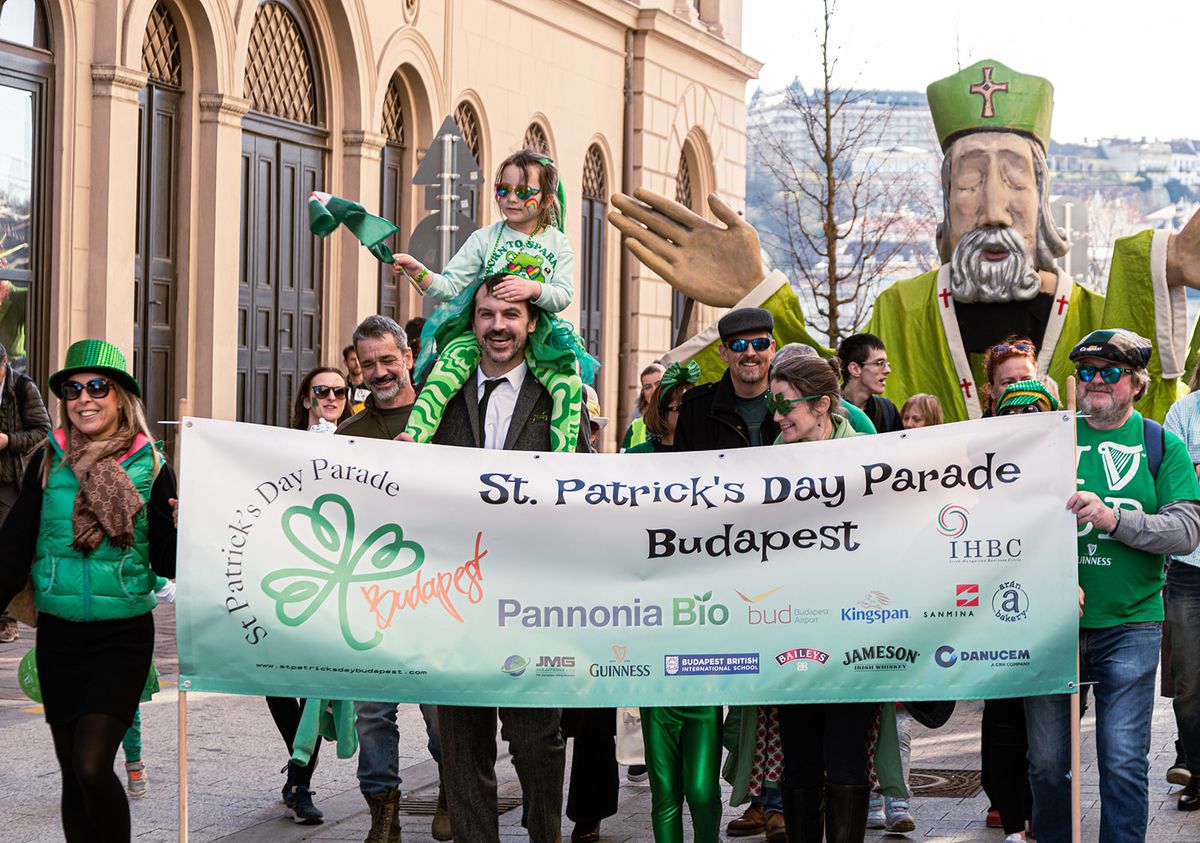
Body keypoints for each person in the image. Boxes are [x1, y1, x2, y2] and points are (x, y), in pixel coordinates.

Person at [609, 58, 1200, 423]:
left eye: (1015, 181)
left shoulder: (1098, 319)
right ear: (945, 199)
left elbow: (1162, 417)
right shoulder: (905, 310)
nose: (993, 207)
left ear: (1044, 199)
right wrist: (757, 297)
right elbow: (826, 403)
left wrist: (1164, 267)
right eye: (969, 181)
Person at [416, 273, 591, 843]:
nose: (498, 326)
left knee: (537, 739)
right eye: (488, 314)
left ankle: (546, 835)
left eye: (510, 316)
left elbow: (585, 486)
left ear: (531, 323)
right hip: (453, 596)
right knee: (461, 742)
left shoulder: (558, 395)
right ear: (474, 321)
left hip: (529, 596)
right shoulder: (438, 395)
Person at [1024, 328, 1200, 843]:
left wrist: (1113, 520)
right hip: (1050, 622)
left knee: (1122, 762)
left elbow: (1186, 529)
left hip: (1131, 622)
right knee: (1047, 765)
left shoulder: (1157, 443)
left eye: (1109, 372)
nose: (1095, 381)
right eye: (1085, 372)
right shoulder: (1048, 438)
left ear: (1136, 383)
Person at [0, 339, 177, 842]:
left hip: (121, 638)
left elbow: (168, 559)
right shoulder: (45, 462)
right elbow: (12, 550)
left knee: (93, 764)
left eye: (98, 386)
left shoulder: (153, 465)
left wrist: (189, 526)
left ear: (120, 395)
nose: (85, 398)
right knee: (72, 773)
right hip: (59, 638)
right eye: (74, 389)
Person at [671, 307, 783, 838]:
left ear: (772, 346)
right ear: (723, 354)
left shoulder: (793, 401)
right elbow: (679, 488)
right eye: (738, 347)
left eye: (759, 344)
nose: (750, 355)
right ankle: (751, 794)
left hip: (791, 562)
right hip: (719, 566)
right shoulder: (698, 409)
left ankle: (778, 799)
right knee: (734, 685)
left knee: (781, 684)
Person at [337, 316, 448, 842]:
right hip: (370, 592)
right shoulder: (348, 434)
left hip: (435, 593)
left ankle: (454, 790)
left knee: (441, 714)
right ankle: (384, 818)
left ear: (409, 357)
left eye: (388, 359)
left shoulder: (445, 417)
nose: (379, 371)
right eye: (368, 362)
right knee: (374, 715)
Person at [768, 353, 874, 841]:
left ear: (823, 405)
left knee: (848, 757)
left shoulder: (868, 454)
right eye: (774, 403)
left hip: (855, 631)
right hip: (795, 631)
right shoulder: (772, 453)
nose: (776, 415)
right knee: (800, 758)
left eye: (785, 404)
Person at [629, 359, 723, 842]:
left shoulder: (714, 463)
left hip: (704, 644)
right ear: (657, 411)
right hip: (653, 645)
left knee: (704, 789)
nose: (682, 413)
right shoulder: (637, 463)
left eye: (690, 404)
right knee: (666, 788)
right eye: (673, 405)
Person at [261, 366, 354, 825]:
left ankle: (299, 779)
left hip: (336, 579)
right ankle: (298, 767)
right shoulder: (284, 449)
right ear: (306, 399)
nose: (332, 397)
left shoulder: (361, 444)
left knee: (320, 686)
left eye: (340, 390)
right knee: (276, 679)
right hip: (287, 573)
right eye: (322, 391)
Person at [393, 150, 576, 382]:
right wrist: (417, 271)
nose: (511, 198)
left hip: (542, 337)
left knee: (569, 386)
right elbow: (448, 287)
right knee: (439, 378)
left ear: (547, 199)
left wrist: (533, 289)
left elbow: (563, 294)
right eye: (503, 189)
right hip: (485, 335)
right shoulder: (484, 238)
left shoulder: (558, 242)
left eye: (523, 192)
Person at [1163, 365, 1200, 810]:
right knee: (1188, 681)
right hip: (1189, 568)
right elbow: (1179, 484)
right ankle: (1196, 771)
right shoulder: (1184, 411)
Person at [0, 340, 50, 642]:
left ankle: (7, 619)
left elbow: (44, 430)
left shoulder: (23, 388)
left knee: (7, 545)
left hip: (11, 479)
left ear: (4, 365)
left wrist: (8, 440)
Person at [837, 333, 901, 432]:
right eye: (880, 363)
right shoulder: (826, 411)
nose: (888, 370)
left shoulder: (888, 410)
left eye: (887, 364)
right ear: (855, 369)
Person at [620, 362, 664, 451]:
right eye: (648, 387)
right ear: (643, 394)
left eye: (658, 384)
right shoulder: (634, 428)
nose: (654, 391)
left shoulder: (681, 423)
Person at [343, 344, 368, 414]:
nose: (357, 363)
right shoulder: (342, 386)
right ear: (345, 362)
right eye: (353, 360)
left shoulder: (371, 386)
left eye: (359, 359)